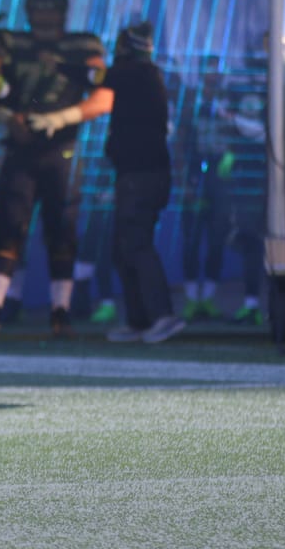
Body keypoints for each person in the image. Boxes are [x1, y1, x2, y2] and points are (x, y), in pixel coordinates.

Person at [0, 0, 111, 339]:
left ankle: (61, 310)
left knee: (62, 231)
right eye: (40, 10)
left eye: (51, 10)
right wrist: (10, 119)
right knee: (9, 227)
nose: (45, 18)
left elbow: (104, 97)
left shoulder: (82, 46)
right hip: (20, 148)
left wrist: (61, 117)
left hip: (61, 149)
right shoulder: (13, 45)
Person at [99, 23, 184, 343]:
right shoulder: (142, 75)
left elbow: (98, 77)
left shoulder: (138, 74)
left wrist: (58, 63)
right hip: (137, 174)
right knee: (125, 248)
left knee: (135, 244)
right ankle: (140, 320)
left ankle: (162, 315)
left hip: (141, 176)